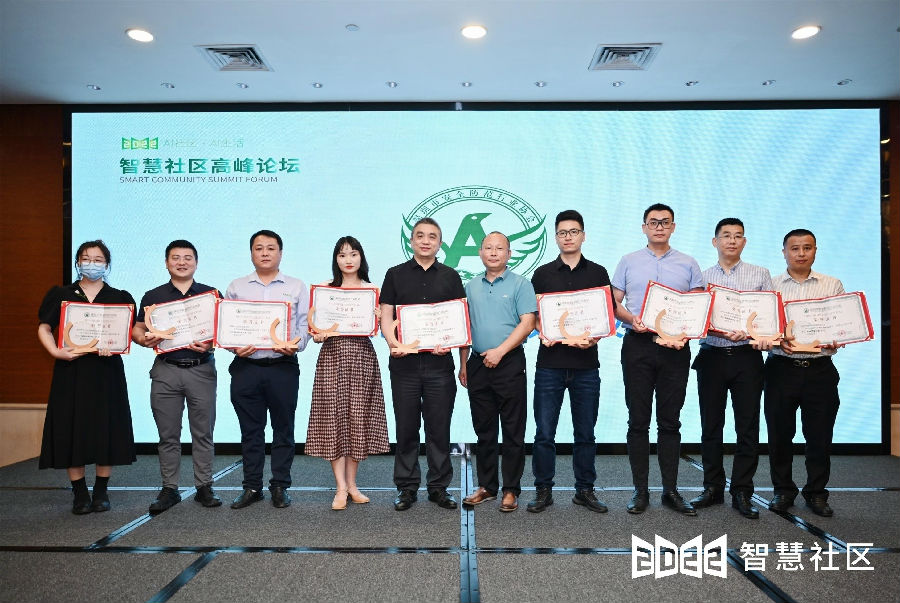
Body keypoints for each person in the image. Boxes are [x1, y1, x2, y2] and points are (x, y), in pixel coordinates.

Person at [612, 203, 705, 516]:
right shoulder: (628, 261)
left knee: (670, 421)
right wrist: (632, 319)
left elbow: (697, 308)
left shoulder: (688, 263)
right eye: (653, 222)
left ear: (673, 227)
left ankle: (670, 490)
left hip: (675, 349)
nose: (659, 227)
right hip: (637, 345)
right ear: (644, 227)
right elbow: (614, 302)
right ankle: (640, 491)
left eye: (665, 222)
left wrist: (685, 333)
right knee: (638, 421)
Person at [37, 240, 136, 514]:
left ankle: (101, 491)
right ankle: (79, 493)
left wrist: (115, 345)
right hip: (71, 371)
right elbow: (44, 328)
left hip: (107, 372)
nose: (92, 264)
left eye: (98, 259)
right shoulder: (61, 294)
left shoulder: (120, 297)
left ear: (107, 264)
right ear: (78, 262)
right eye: (86, 258)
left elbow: (127, 334)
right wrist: (56, 352)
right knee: (72, 428)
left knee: (107, 427)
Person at [527, 210, 615, 514]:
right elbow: (534, 316)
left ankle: (585, 490)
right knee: (544, 433)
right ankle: (543, 490)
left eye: (574, 231)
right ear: (556, 237)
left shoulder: (598, 273)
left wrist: (595, 338)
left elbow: (606, 317)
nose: (568, 237)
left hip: (586, 365)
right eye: (562, 232)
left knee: (585, 433)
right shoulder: (542, 274)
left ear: (583, 236)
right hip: (550, 364)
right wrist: (543, 331)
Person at [380, 217, 466, 511]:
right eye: (420, 235)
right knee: (406, 429)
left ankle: (439, 487)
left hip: (439, 364)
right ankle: (406, 488)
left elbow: (458, 320)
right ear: (412, 241)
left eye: (432, 236)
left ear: (440, 243)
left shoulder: (451, 276)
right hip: (404, 365)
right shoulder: (395, 274)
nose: (425, 241)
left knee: (438, 429)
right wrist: (394, 344)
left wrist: (453, 345)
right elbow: (386, 315)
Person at [689, 219, 773, 519]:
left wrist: (753, 333)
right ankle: (712, 487)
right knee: (711, 426)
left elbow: (769, 317)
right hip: (712, 356)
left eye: (738, 236)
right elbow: (694, 317)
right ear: (715, 242)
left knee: (747, 427)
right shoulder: (702, 277)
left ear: (744, 242)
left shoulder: (760, 274)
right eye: (726, 236)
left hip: (747, 357)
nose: (732, 241)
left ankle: (742, 491)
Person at [132, 239, 222, 514]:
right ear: (166, 262)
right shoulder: (153, 296)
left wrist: (210, 343)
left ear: (196, 262)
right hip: (166, 369)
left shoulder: (210, 295)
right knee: (168, 434)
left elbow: (224, 330)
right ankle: (169, 488)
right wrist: (143, 339)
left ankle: (204, 486)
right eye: (175, 258)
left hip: (201, 369)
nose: (181, 262)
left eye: (187, 257)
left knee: (203, 432)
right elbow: (137, 329)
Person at [226, 230, 309, 510]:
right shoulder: (237, 287)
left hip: (282, 367)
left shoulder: (296, 286)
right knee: (251, 431)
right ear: (251, 253)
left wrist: (295, 345)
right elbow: (228, 326)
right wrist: (234, 347)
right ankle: (251, 487)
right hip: (246, 367)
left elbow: (303, 325)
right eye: (259, 248)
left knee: (283, 428)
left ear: (280, 253)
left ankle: (280, 486)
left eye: (270, 248)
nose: (264, 253)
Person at [306, 236, 390, 510]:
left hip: (362, 357)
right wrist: (318, 335)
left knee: (357, 419)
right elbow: (315, 331)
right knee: (333, 419)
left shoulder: (372, 291)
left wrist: (379, 318)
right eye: (342, 255)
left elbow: (383, 330)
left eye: (353, 254)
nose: (348, 260)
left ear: (361, 257)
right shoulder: (325, 291)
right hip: (332, 357)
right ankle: (340, 487)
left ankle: (353, 485)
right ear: (336, 260)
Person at [765, 228, 845, 517]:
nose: (801, 253)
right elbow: (763, 326)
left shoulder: (832, 284)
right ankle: (783, 490)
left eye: (807, 248)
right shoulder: (770, 286)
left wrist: (840, 336)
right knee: (779, 435)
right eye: (795, 248)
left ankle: (816, 493)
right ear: (784, 252)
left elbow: (842, 323)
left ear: (815, 251)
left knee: (819, 436)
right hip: (781, 370)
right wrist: (771, 339)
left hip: (820, 370)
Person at [459, 232, 536, 513]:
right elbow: (464, 328)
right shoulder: (470, 287)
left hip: (509, 362)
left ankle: (511, 490)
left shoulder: (521, 284)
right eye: (488, 248)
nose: (493, 252)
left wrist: (500, 351)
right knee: (484, 430)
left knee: (513, 430)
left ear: (509, 253)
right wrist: (463, 364)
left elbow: (528, 323)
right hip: (478, 363)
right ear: (480, 253)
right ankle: (487, 486)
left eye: (499, 248)